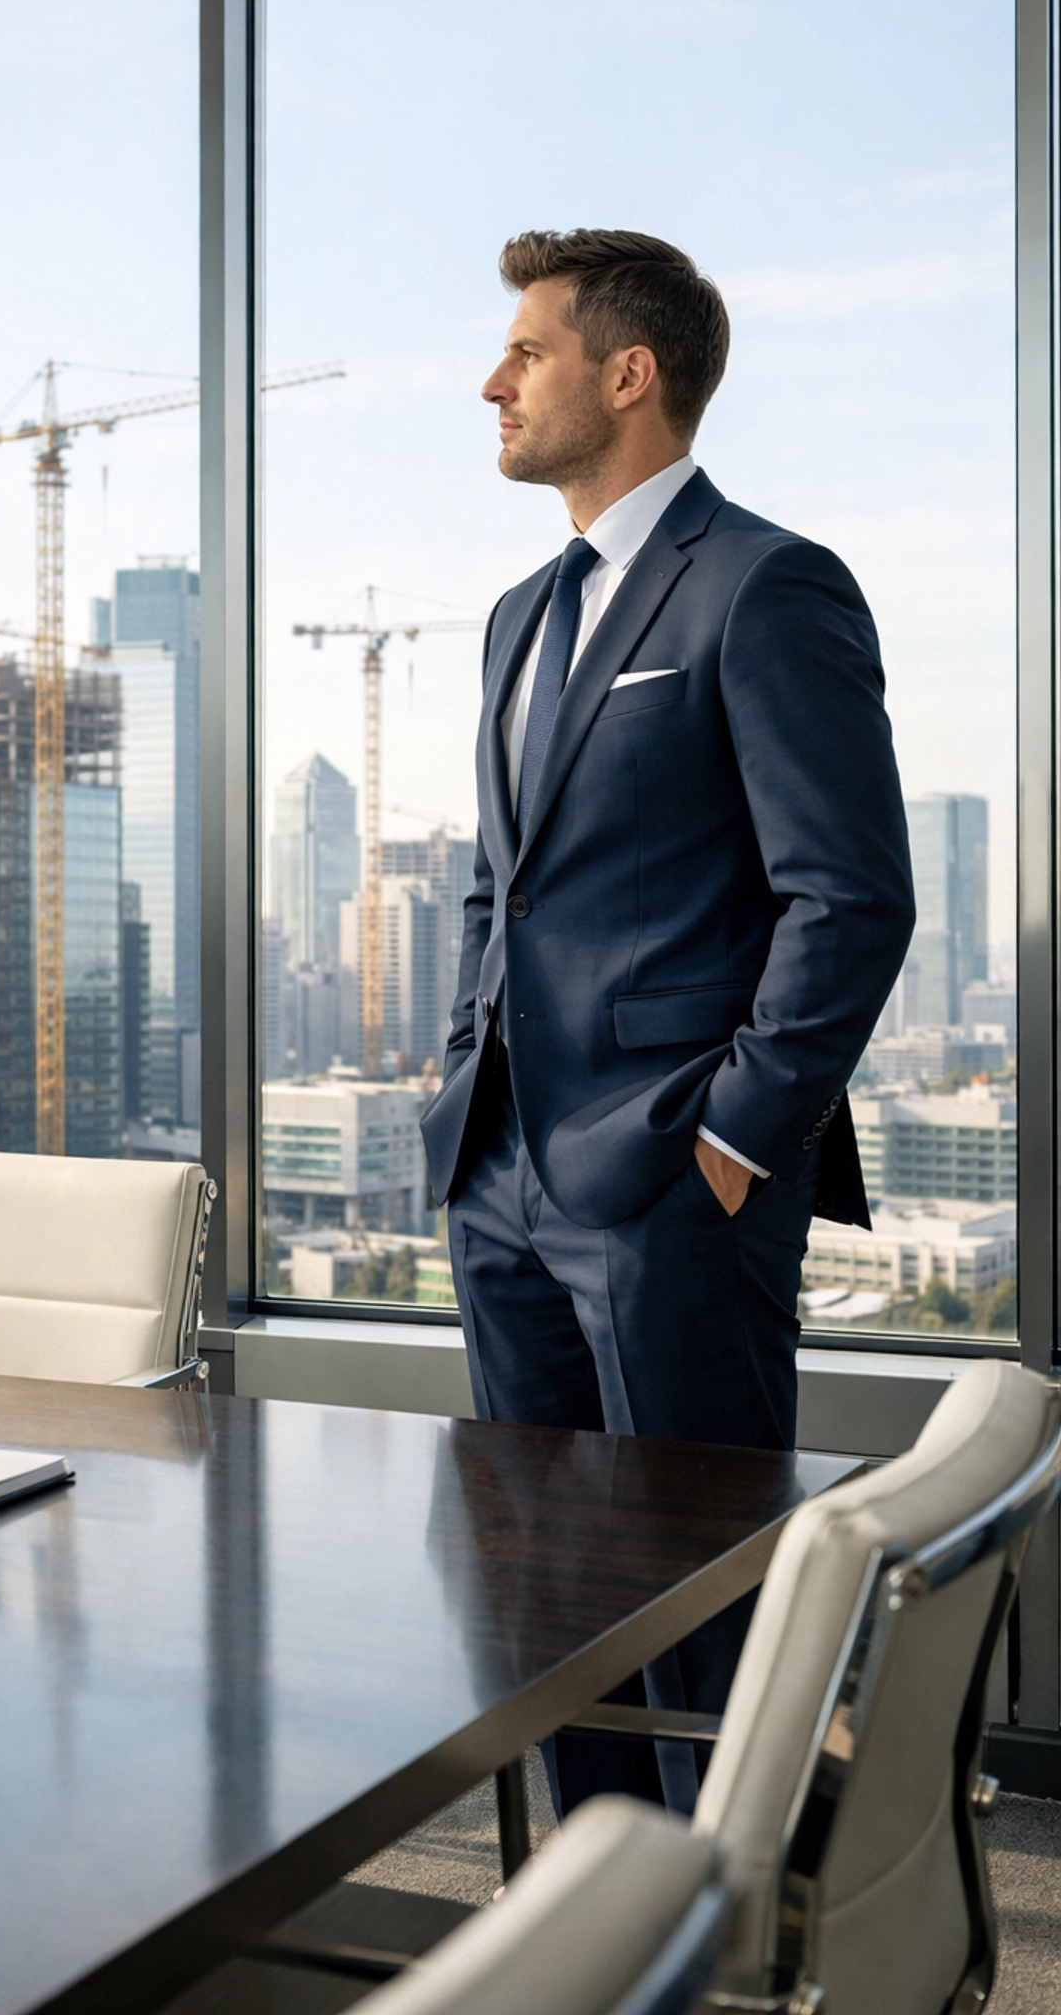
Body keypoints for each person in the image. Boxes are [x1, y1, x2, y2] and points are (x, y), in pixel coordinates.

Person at [419, 228, 915, 1816]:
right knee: (548, 1607)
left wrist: (735, 1142)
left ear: (628, 375)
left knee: (709, 1614)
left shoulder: (766, 585)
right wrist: (462, 1088)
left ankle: (737, 1916)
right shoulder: (519, 614)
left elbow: (850, 898)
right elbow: (501, 886)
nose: (492, 382)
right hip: (502, 1179)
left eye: (528, 352)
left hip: (671, 1190)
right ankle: (592, 1904)